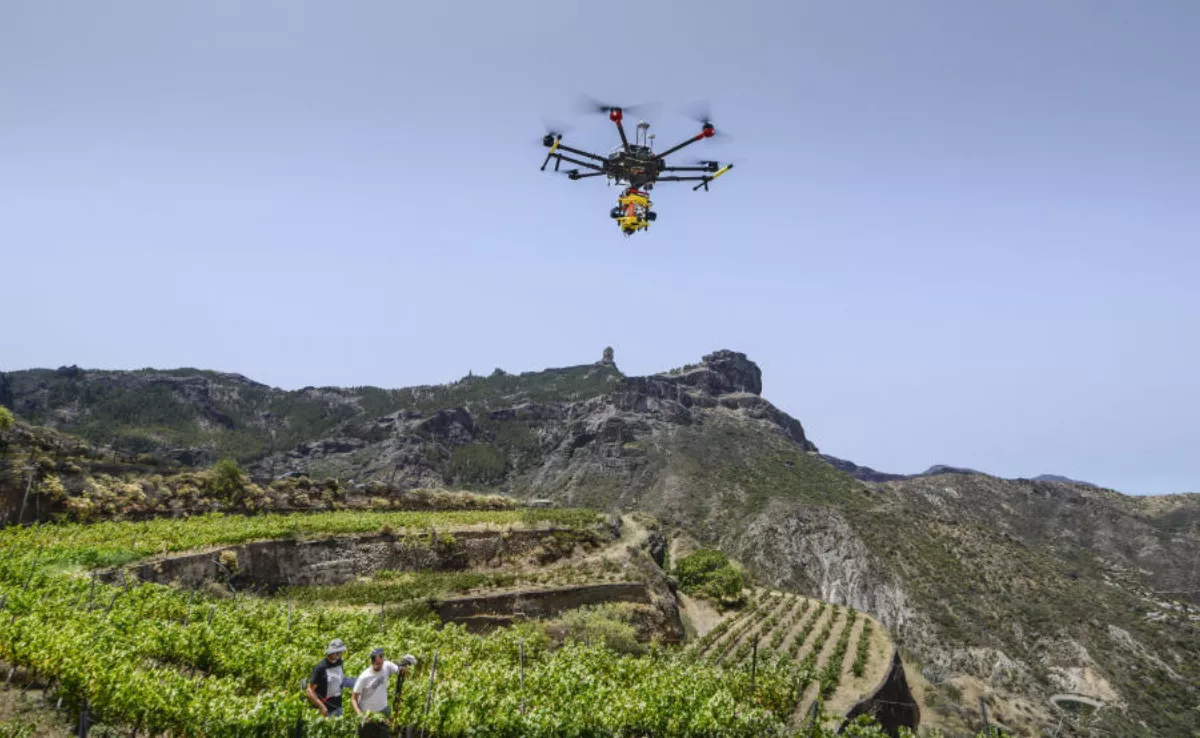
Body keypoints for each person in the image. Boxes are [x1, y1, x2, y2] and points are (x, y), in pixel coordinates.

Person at [352, 649, 417, 718]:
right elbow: (354, 699)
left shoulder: (387, 666)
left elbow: (402, 672)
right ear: (372, 662)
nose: (380, 666)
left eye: (381, 663)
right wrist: (360, 715)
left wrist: (405, 665)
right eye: (378, 664)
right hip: (368, 713)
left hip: (383, 709)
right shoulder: (364, 677)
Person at [307, 638, 356, 717]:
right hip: (325, 710)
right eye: (336, 652)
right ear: (330, 652)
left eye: (340, 652)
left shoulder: (339, 662)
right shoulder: (321, 667)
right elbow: (309, 691)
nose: (339, 655)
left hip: (338, 707)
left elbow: (340, 679)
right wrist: (321, 706)